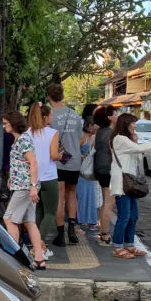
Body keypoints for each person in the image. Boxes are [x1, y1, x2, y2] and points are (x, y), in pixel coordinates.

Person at [109, 114, 151, 259]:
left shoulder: (126, 139)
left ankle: (129, 244)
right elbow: (140, 150)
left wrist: (136, 141)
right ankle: (117, 246)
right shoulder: (119, 139)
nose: (135, 126)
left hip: (131, 182)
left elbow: (138, 156)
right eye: (133, 123)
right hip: (123, 183)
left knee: (133, 216)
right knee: (124, 216)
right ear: (126, 124)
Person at [2, 111, 47, 269]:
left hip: (24, 187)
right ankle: (39, 258)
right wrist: (13, 177)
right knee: (29, 222)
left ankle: (14, 258)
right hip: (23, 185)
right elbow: (23, 163)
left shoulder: (23, 140)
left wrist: (33, 186)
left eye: (6, 123)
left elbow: (33, 163)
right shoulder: (21, 139)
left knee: (9, 219)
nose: (4, 126)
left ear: (13, 124)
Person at [47, 83, 82, 246]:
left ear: (49, 97)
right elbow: (81, 139)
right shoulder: (74, 115)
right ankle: (72, 230)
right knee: (71, 194)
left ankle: (60, 235)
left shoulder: (48, 116)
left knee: (59, 197)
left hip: (57, 160)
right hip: (74, 160)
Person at [28, 103, 61, 246]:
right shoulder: (52, 133)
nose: (52, 117)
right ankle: (39, 245)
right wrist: (61, 155)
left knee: (38, 212)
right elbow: (53, 155)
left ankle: (34, 243)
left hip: (33, 178)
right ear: (45, 117)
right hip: (49, 176)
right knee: (50, 212)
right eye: (51, 115)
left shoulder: (27, 133)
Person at [93, 105, 117, 244]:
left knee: (105, 201)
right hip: (109, 169)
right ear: (109, 118)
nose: (117, 116)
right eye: (115, 114)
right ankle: (105, 233)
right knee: (109, 202)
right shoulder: (110, 133)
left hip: (100, 168)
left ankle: (103, 230)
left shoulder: (100, 132)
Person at [76, 117, 99, 230]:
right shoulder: (81, 137)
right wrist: (82, 156)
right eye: (95, 125)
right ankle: (81, 219)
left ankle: (90, 219)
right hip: (81, 170)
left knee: (91, 195)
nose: (96, 128)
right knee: (81, 195)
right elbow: (73, 151)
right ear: (89, 126)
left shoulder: (96, 137)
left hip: (91, 170)